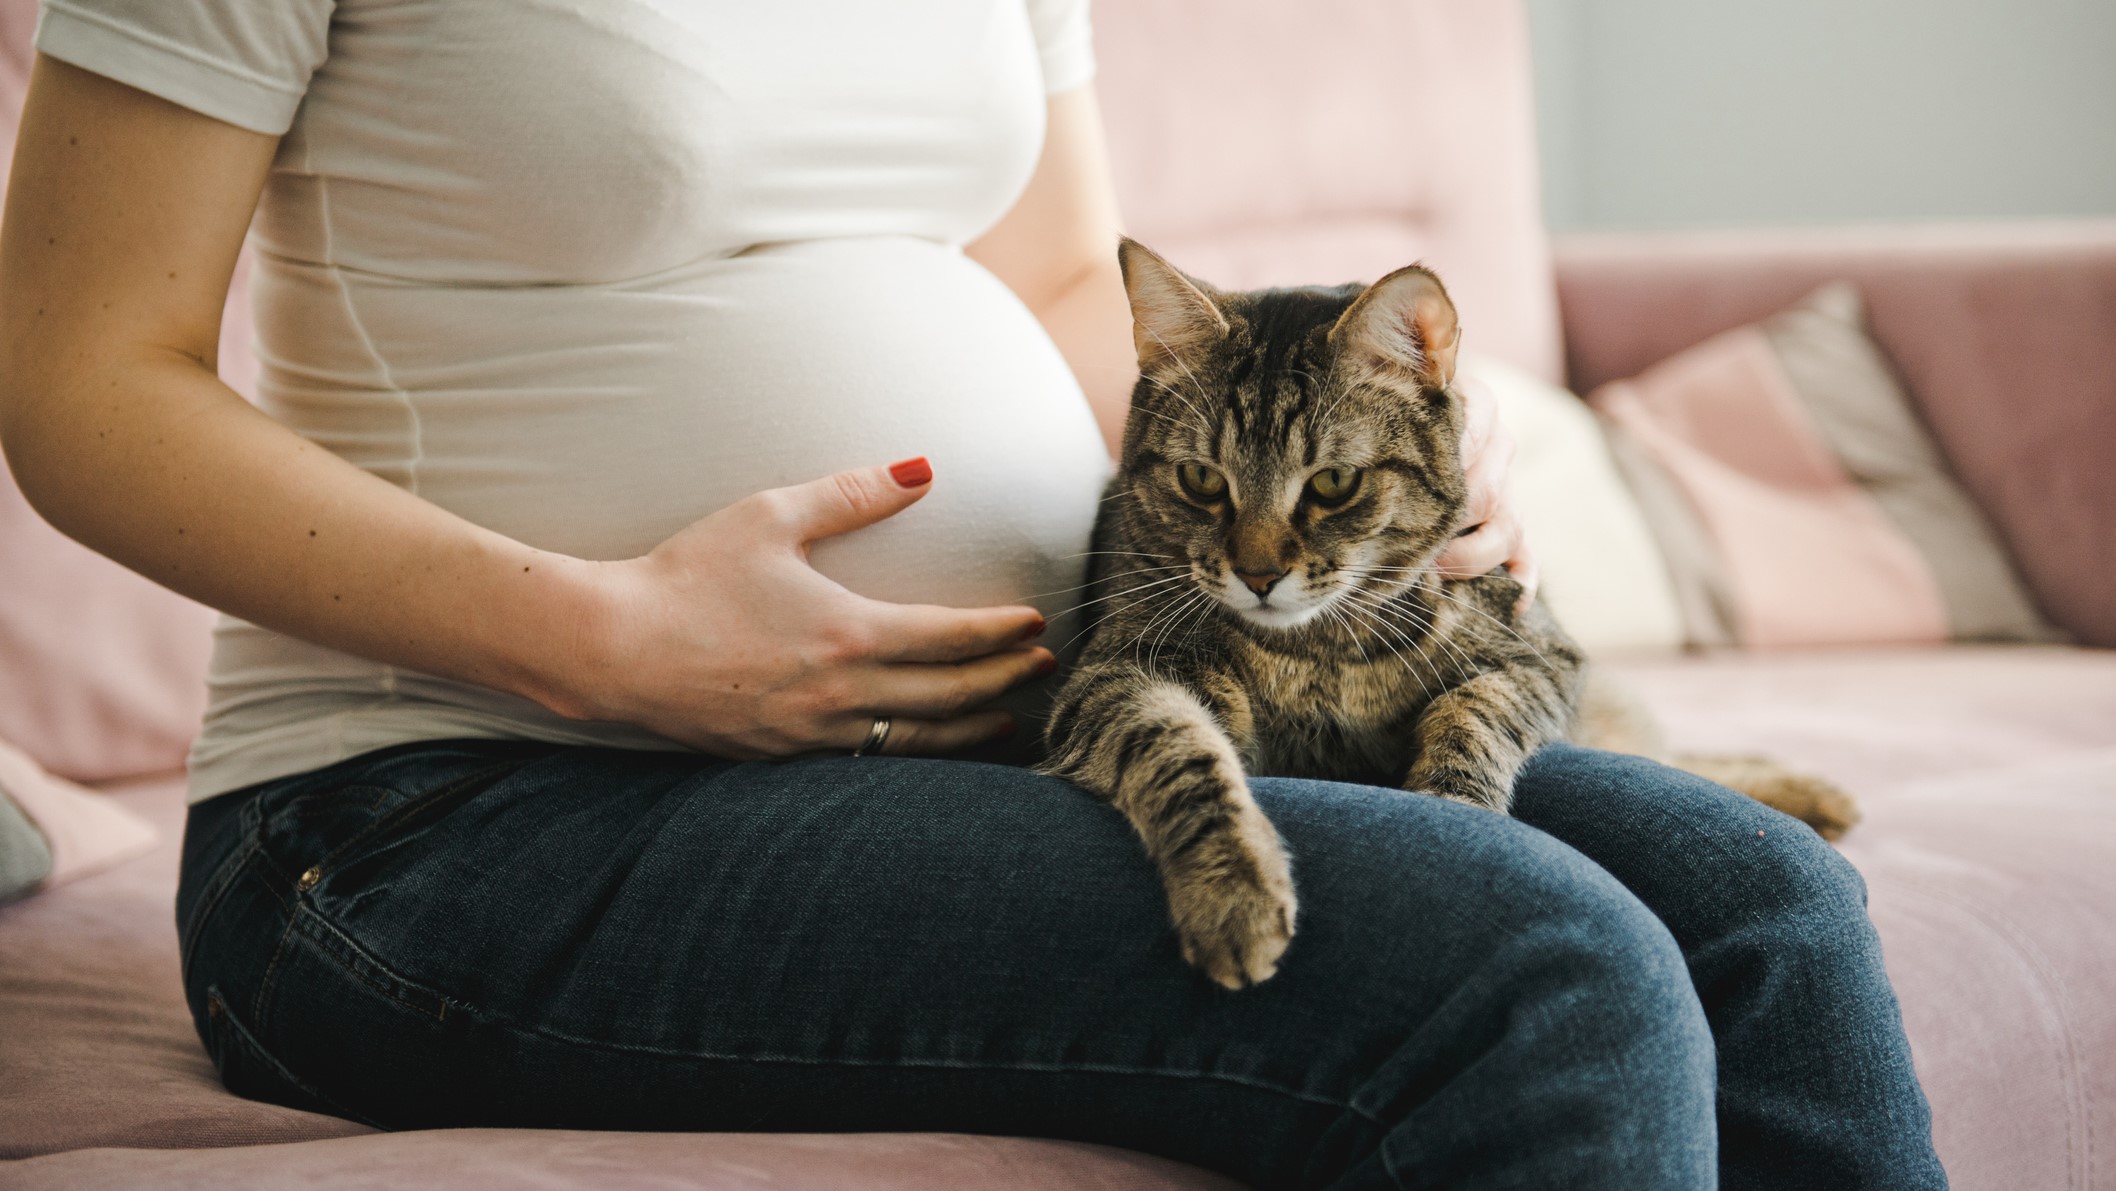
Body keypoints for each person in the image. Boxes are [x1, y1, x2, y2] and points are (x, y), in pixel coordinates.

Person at [0, 2, 1944, 1187]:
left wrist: (1388, 466)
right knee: (1540, 967)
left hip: (1010, 732)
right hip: (445, 811)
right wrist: (610, 640)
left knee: (1756, 908)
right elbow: (80, 378)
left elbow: (1062, 293)